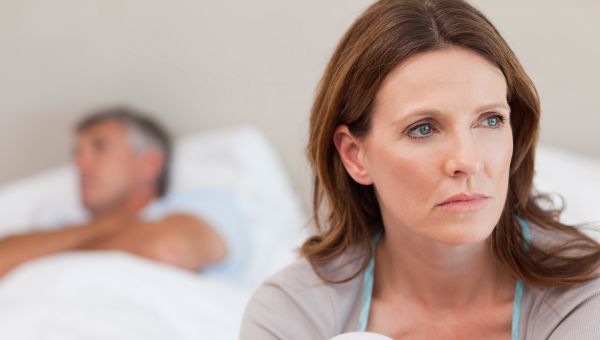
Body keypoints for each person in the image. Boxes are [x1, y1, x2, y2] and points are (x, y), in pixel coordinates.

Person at [240, 0, 600, 339]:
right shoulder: (291, 316)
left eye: (490, 120)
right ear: (355, 155)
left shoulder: (584, 297)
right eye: (423, 128)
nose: (468, 161)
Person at [0, 107, 230, 278]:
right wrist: (111, 225)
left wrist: (42, 258)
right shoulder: (62, 223)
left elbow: (167, 250)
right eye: (77, 153)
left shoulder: (200, 208)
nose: (81, 164)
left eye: (99, 147)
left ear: (150, 163)